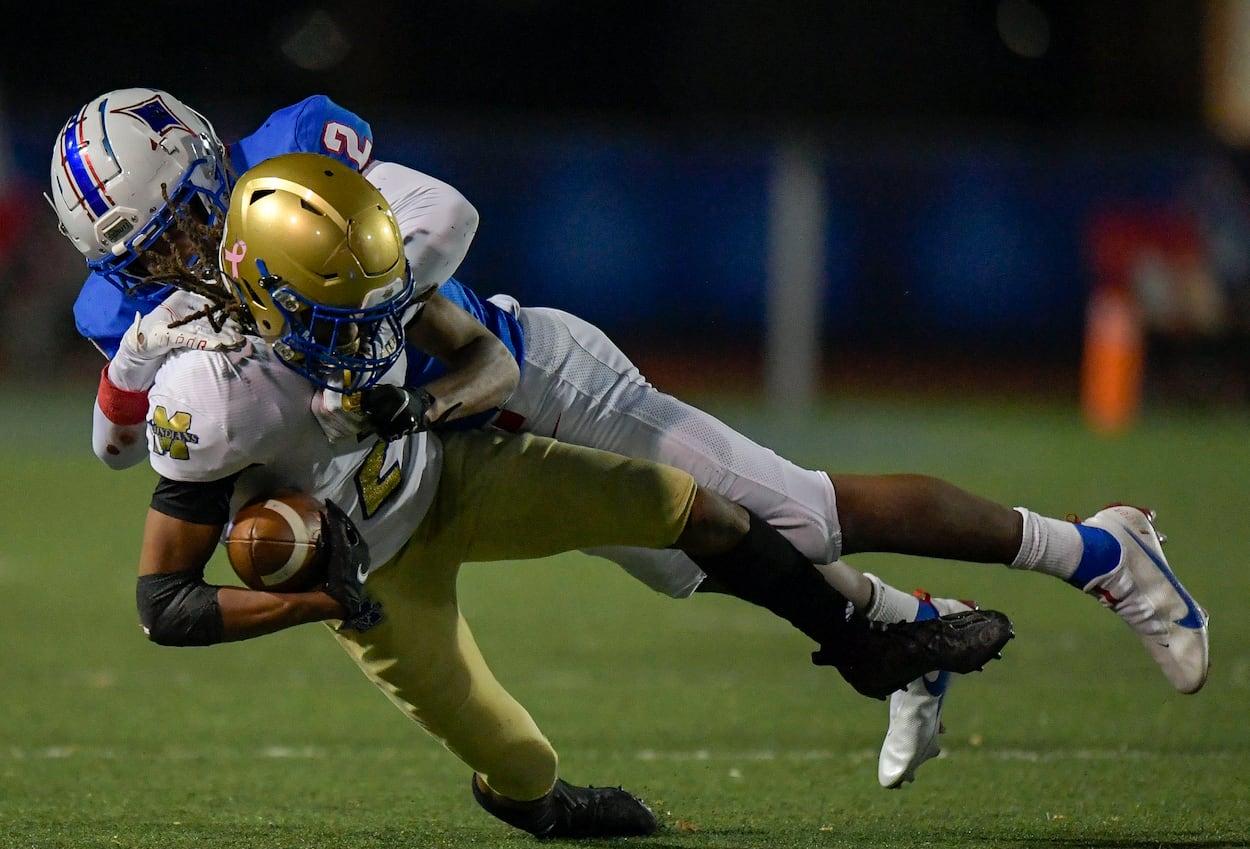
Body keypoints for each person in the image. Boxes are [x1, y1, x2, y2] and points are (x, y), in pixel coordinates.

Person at [49, 92, 1209, 792]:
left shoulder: (296, 169)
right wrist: (137, 368)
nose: (182, 255)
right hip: (435, 455)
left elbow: (445, 215)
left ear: (212, 167)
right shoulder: (140, 313)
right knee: (695, 560)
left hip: (529, 376)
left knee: (795, 512)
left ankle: (1097, 553)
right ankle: (902, 635)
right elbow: (122, 446)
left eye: (190, 219)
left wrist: (360, 299)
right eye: (148, 252)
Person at [132, 155, 1015, 837]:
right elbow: (164, 605)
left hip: (447, 473)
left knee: (687, 507)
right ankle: (546, 811)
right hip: (377, 573)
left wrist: (423, 405)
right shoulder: (213, 402)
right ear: (263, 301)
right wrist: (325, 595)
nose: (367, 330)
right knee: (518, 761)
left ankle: (859, 643)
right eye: (338, 317)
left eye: (378, 303)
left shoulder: (357, 276)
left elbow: (486, 361)